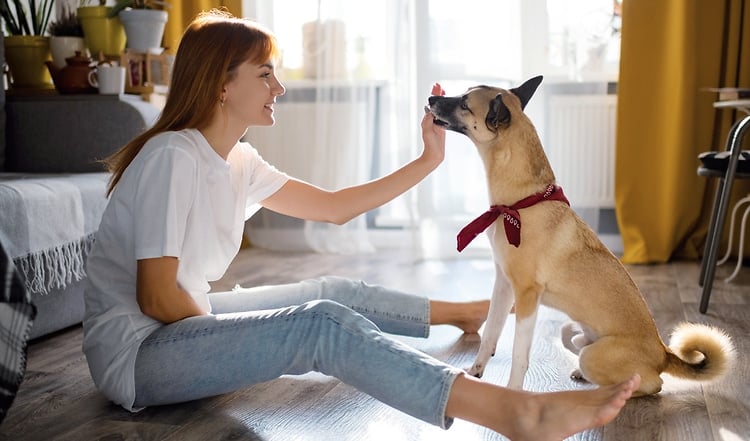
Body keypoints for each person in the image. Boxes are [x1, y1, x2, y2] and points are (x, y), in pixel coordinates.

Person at [82, 9, 640, 441]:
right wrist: (241, 327)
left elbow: (337, 207)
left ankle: (461, 314)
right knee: (319, 323)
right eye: (266, 74)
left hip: (180, 323)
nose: (278, 87)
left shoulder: (236, 161)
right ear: (221, 86)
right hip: (140, 355)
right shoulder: (172, 157)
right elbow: (156, 298)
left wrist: (428, 161)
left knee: (331, 292)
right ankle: (514, 410)